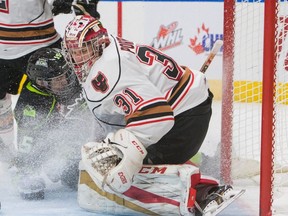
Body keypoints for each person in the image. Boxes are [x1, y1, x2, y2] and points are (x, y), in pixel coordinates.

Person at [62, 15, 242, 215]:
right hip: (185, 107)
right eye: (72, 51)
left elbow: (158, 117)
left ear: (98, 44)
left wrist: (122, 152)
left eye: (83, 50)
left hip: (183, 119)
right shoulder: (107, 49)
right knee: (125, 152)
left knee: (131, 168)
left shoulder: (109, 70)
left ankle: (206, 194)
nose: (76, 57)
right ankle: (207, 163)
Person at [0, 0, 100, 164]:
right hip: (26, 45)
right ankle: (10, 162)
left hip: (41, 45)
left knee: (71, 95)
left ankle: (75, 154)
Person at [11, 47, 100, 200]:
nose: (65, 80)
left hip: (80, 142)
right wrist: (28, 169)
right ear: (42, 83)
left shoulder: (69, 85)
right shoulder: (31, 104)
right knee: (68, 175)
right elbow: (28, 142)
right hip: (53, 150)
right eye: (58, 79)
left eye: (66, 74)